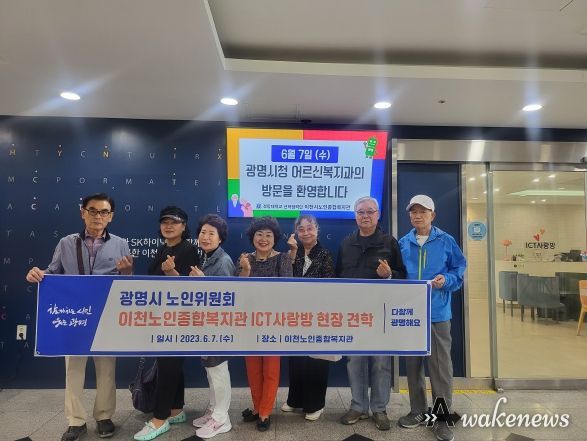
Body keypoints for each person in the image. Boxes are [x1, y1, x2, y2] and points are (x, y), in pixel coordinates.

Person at [25, 193, 133, 441]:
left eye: (104, 212)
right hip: (74, 316)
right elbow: (52, 272)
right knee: (73, 369)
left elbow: (126, 284)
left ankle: (104, 417)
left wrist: (128, 273)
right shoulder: (66, 243)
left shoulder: (121, 244)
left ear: (111, 216)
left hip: (105, 316)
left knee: (107, 369)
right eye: (92, 210)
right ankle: (75, 421)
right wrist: (38, 273)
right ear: (83, 212)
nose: (98, 216)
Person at [398, 195, 466, 441]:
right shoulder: (403, 243)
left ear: (432, 215)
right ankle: (417, 410)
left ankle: (442, 417)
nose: (417, 216)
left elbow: (458, 271)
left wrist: (446, 280)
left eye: (423, 212)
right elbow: (397, 275)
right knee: (413, 367)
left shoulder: (446, 240)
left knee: (440, 368)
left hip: (437, 314)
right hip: (410, 315)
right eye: (413, 212)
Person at [336, 196, 406, 431]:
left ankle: (379, 409)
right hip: (353, 315)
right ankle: (358, 406)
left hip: (381, 315)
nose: (365, 216)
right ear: (355, 215)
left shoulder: (389, 242)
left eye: (370, 211)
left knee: (380, 363)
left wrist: (390, 275)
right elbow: (337, 277)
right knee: (354, 361)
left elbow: (403, 275)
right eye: (360, 212)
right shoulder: (346, 243)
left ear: (378, 215)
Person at [133, 206, 200, 441]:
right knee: (170, 365)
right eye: (165, 222)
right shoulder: (164, 248)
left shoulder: (189, 250)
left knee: (168, 365)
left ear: (184, 226)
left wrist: (171, 273)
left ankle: (160, 419)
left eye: (174, 222)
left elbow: (189, 289)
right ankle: (176, 409)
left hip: (178, 319)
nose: (168, 226)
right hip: (161, 316)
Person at [237, 216, 293, 431]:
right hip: (249, 322)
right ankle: (257, 406)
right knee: (252, 369)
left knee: (270, 369)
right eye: (259, 234)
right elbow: (237, 292)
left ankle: (265, 411)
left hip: (273, 322)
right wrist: (245, 270)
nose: (263, 239)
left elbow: (286, 291)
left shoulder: (283, 259)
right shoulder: (245, 259)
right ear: (252, 237)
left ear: (274, 238)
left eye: (268, 235)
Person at [281, 214, 336, 421]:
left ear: (317, 230)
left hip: (317, 315)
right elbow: (287, 277)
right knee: (296, 358)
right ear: (296, 232)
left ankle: (315, 404)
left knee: (316, 360)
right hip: (295, 315)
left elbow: (329, 284)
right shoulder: (292, 253)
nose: (306, 233)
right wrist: (293, 253)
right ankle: (295, 400)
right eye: (301, 229)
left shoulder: (325, 254)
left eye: (310, 228)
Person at [189, 214, 235, 439]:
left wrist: (202, 282)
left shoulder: (223, 261)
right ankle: (213, 410)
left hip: (218, 326)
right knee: (210, 369)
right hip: (205, 324)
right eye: (203, 232)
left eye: (211, 233)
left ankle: (221, 419)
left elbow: (226, 297)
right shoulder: (205, 257)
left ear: (220, 238)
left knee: (218, 370)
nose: (205, 237)